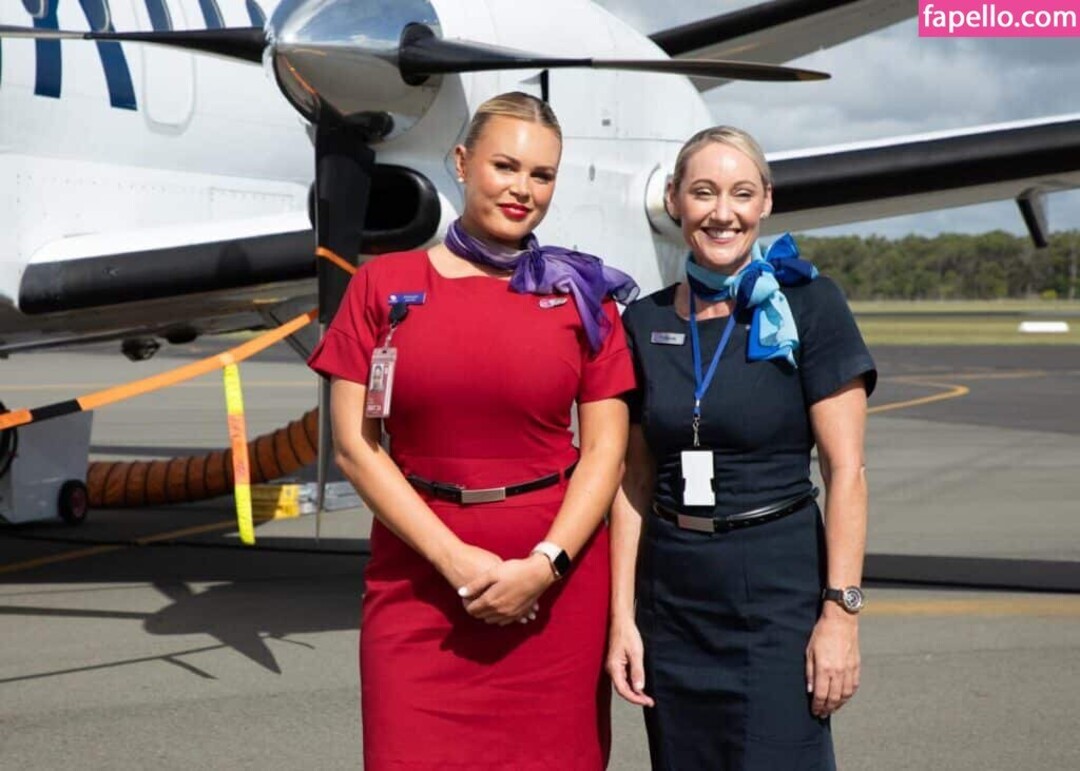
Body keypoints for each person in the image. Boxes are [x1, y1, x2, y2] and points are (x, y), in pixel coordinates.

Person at [307, 92, 638, 770]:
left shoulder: (584, 294)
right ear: (461, 162)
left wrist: (544, 566)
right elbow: (355, 448)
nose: (522, 190)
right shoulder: (382, 285)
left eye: (541, 175)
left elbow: (607, 453)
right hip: (419, 585)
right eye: (505, 166)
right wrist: (454, 560)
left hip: (556, 590)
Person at [606, 126, 876, 770]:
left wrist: (841, 614)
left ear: (766, 202)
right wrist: (622, 618)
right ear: (673, 199)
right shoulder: (643, 322)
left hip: (777, 592)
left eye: (741, 193)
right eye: (703, 192)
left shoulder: (810, 306)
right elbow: (633, 482)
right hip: (674, 603)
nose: (722, 212)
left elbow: (846, 472)